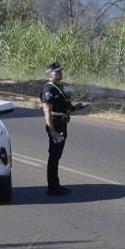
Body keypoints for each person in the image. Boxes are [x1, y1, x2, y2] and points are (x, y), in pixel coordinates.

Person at [41, 62, 85, 196]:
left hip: (62, 124)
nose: (60, 73)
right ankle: (52, 187)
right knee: (54, 156)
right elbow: (47, 111)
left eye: (60, 71)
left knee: (57, 156)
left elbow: (65, 107)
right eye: (56, 71)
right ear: (49, 74)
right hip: (55, 125)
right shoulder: (49, 89)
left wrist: (76, 107)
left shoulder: (59, 87)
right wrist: (52, 130)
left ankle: (56, 185)